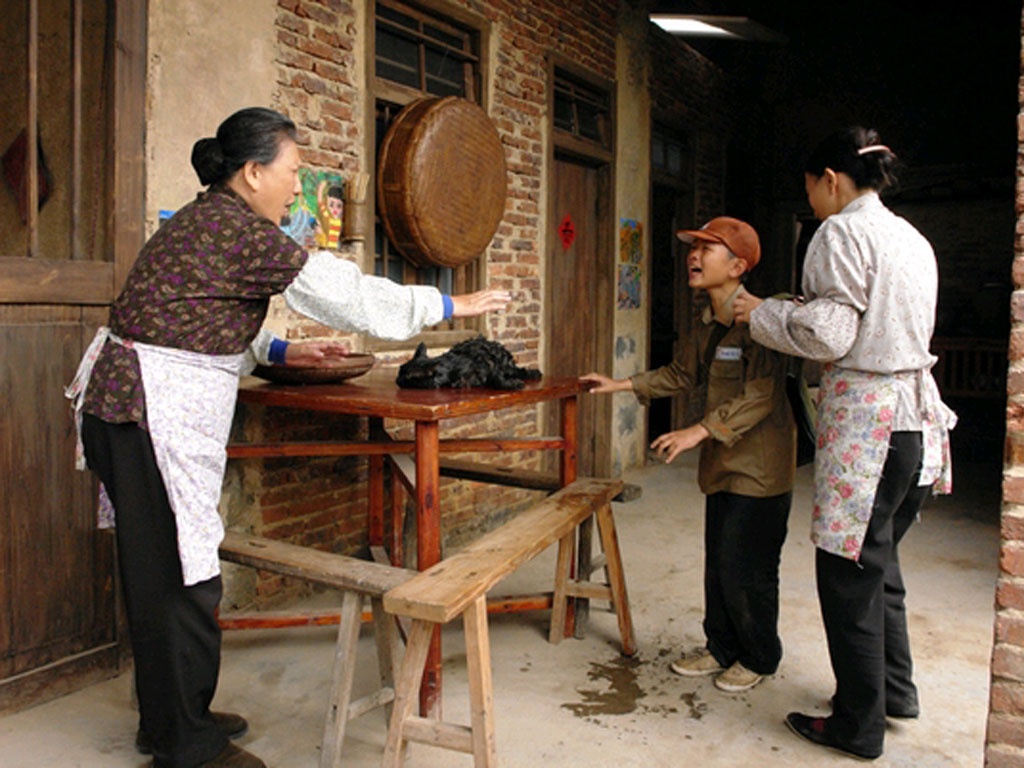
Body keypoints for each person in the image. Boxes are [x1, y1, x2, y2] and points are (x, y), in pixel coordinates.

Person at [64, 106, 510, 768]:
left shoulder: (207, 220)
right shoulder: (243, 232)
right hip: (144, 413)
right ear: (253, 172)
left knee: (165, 573)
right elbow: (347, 297)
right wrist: (450, 304)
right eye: (293, 172)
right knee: (181, 580)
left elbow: (195, 313)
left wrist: (279, 351)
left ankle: (175, 720)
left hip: (128, 409)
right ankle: (185, 746)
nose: (298, 188)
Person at [733, 127, 957, 760]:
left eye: (810, 188)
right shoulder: (910, 237)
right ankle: (894, 692)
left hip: (870, 422)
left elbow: (830, 335)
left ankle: (858, 724)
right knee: (878, 560)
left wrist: (761, 312)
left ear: (829, 179)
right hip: (915, 422)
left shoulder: (839, 233)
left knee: (847, 571)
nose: (810, 201)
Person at [580, 216, 796, 695]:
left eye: (706, 248)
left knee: (749, 567)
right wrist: (620, 384)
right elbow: (682, 374)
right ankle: (720, 646)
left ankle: (759, 656)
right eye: (693, 247)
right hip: (723, 464)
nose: (693, 256)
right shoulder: (708, 322)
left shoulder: (761, 322)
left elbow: (761, 395)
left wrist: (698, 431)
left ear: (737, 266)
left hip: (759, 468)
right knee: (719, 562)